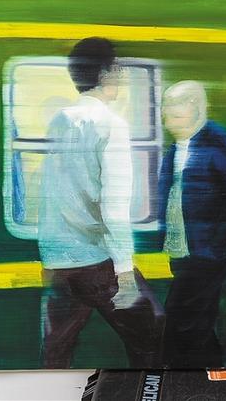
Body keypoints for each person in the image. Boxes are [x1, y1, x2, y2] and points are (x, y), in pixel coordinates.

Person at [37, 37, 165, 368]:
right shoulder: (111, 124)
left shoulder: (59, 120)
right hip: (96, 259)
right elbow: (114, 206)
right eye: (118, 68)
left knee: (58, 347)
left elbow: (53, 191)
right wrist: (124, 272)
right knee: (151, 330)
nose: (121, 75)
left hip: (58, 258)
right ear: (107, 73)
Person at [158, 80, 226, 368]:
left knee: (183, 318)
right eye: (166, 112)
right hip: (181, 251)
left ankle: (186, 377)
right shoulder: (175, 149)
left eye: (174, 112)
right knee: (197, 323)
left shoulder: (223, 147)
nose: (167, 119)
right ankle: (211, 374)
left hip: (208, 253)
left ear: (195, 108)